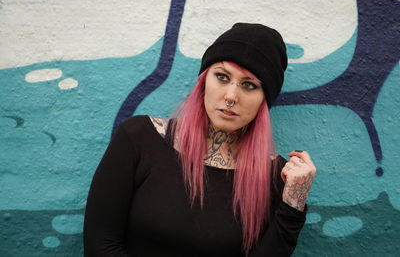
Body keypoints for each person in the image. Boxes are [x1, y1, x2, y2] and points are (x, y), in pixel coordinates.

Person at [83, 23, 317, 257]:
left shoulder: (275, 176)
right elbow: (100, 246)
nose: (231, 96)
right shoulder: (139, 138)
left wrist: (292, 205)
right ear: (204, 81)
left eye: (249, 85)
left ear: (263, 100)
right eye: (222, 77)